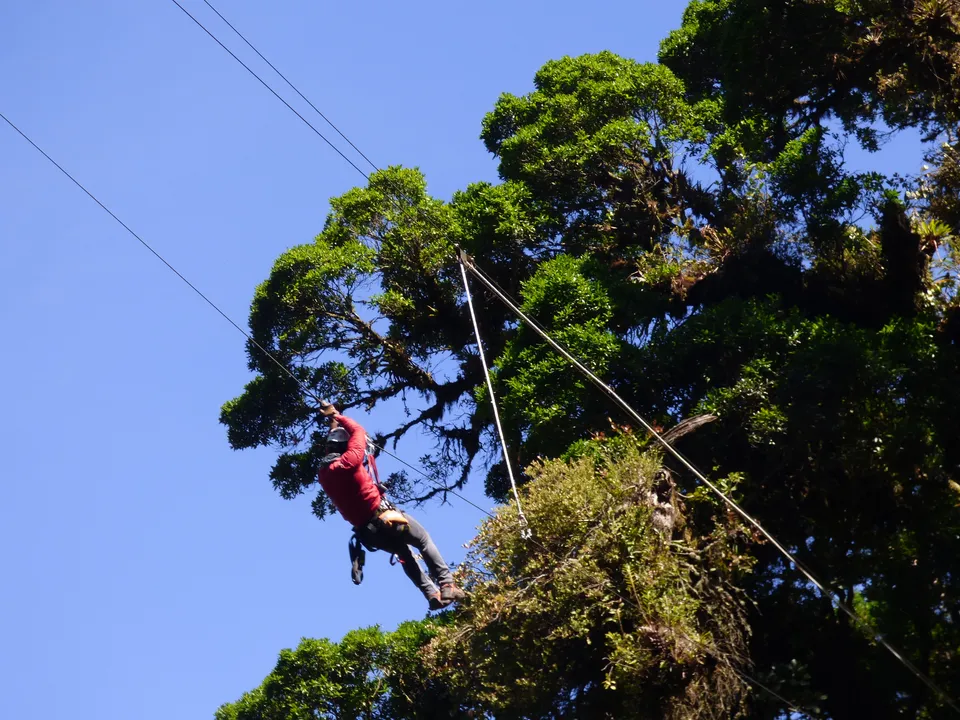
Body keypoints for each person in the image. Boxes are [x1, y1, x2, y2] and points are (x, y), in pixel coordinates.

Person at [317, 402, 467, 610]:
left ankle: (431, 593)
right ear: (345, 447)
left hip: (369, 534)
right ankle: (447, 584)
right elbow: (358, 431)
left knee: (404, 555)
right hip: (385, 517)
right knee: (423, 539)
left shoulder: (323, 475)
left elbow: (332, 447)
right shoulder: (351, 460)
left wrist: (332, 420)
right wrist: (339, 416)